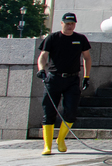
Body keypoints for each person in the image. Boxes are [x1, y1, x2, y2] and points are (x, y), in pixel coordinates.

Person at [35, 13, 92, 155]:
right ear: (61, 23)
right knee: (49, 112)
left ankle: (61, 139)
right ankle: (47, 146)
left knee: (71, 112)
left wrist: (86, 76)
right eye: (67, 23)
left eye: (72, 23)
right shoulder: (53, 38)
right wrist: (41, 70)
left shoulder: (80, 39)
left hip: (72, 80)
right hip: (54, 78)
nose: (70, 26)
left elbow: (87, 58)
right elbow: (43, 56)